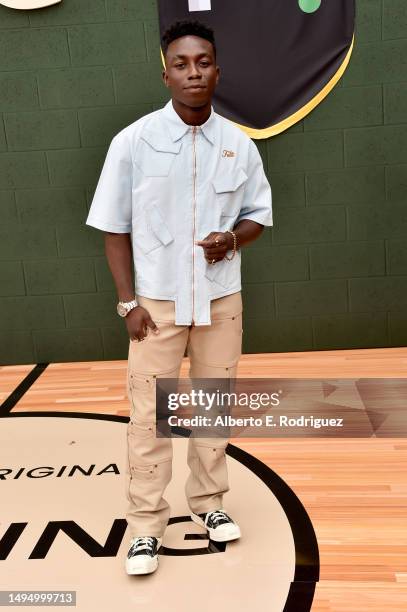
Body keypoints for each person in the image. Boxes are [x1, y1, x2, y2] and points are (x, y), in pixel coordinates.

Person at [86, 19, 272, 575]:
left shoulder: (238, 145)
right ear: (165, 72)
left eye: (205, 62)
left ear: (218, 69)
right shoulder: (134, 142)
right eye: (183, 64)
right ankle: (145, 524)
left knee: (215, 406)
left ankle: (210, 505)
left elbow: (257, 216)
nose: (195, 72)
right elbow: (113, 228)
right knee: (150, 415)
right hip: (157, 307)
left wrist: (232, 239)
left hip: (220, 301)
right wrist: (128, 302)